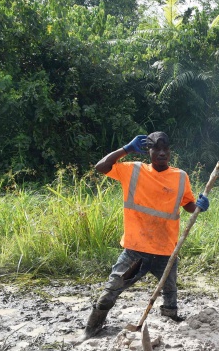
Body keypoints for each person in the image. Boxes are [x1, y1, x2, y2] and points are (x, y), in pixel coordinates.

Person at [83, 132, 209, 337]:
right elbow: (101, 167)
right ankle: (92, 327)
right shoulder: (132, 170)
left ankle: (170, 320)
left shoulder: (180, 176)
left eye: (165, 148)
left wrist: (199, 206)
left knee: (170, 291)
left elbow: (187, 204)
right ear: (147, 151)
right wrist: (127, 148)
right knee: (112, 288)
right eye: (156, 148)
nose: (162, 153)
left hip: (165, 250)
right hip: (136, 251)